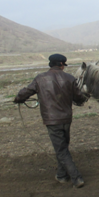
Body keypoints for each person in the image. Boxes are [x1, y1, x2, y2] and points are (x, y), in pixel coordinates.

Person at [14, 54, 88, 188]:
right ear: (61, 65)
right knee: (62, 148)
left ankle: (77, 178)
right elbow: (78, 98)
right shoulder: (70, 78)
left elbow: (26, 92)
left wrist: (18, 98)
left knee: (61, 150)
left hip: (52, 120)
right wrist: (84, 98)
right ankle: (61, 175)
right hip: (66, 118)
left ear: (51, 64)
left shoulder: (40, 78)